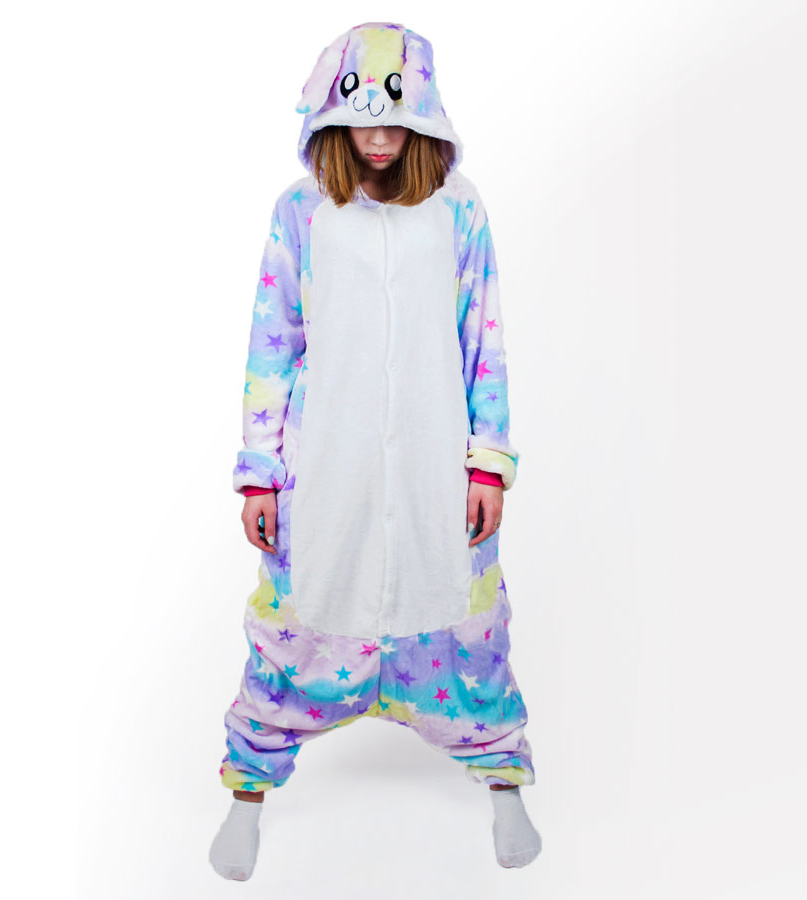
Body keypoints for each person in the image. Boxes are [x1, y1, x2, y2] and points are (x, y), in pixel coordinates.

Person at [208, 21, 542, 881]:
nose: (380, 135)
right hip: (328, 467)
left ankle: (502, 775)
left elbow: (484, 339)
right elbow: (273, 345)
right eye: (361, 118)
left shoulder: (458, 209)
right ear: (334, 113)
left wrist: (488, 460)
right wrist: (259, 474)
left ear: (423, 110)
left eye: (395, 117)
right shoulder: (301, 212)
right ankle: (249, 790)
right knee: (295, 631)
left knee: (468, 631)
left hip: (434, 465)